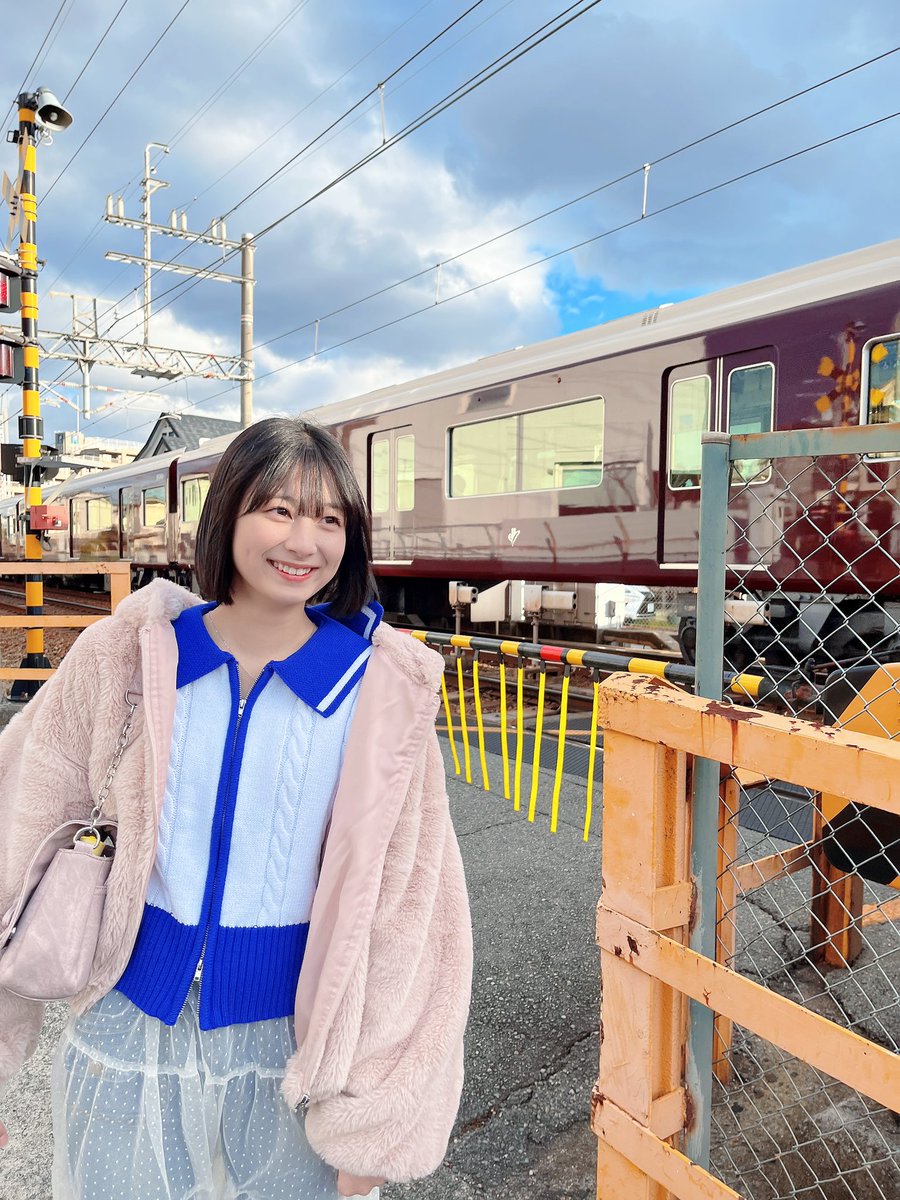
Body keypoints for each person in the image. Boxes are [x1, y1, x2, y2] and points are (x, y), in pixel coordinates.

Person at [0, 417, 473, 1199]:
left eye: (330, 519)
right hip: (127, 1030)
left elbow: (414, 913)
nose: (304, 541)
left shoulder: (378, 694)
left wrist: (376, 1125)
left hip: (291, 1055)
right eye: (279, 510)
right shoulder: (128, 658)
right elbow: (16, 831)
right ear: (227, 515)